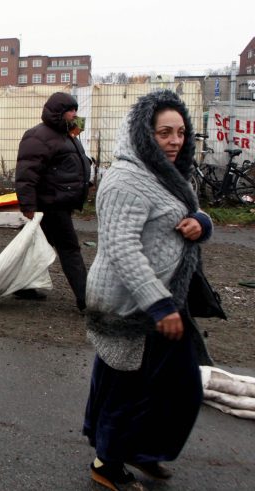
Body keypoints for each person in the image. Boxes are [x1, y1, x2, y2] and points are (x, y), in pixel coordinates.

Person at [82, 90, 214, 491]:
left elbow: (184, 214)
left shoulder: (166, 173)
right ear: (144, 134)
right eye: (164, 133)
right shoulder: (125, 180)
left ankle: (140, 449)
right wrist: (158, 305)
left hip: (163, 297)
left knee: (170, 385)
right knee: (130, 387)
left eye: (180, 132)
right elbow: (122, 248)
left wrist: (201, 222)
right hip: (130, 303)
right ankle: (107, 463)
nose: (175, 141)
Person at [14, 92, 91, 310]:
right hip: (51, 204)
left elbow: (69, 165)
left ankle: (23, 286)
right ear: (58, 111)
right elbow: (26, 174)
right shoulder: (38, 136)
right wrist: (27, 205)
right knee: (69, 249)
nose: (75, 114)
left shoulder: (67, 135)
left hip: (59, 202)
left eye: (75, 109)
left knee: (36, 246)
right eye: (70, 110)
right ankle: (86, 300)